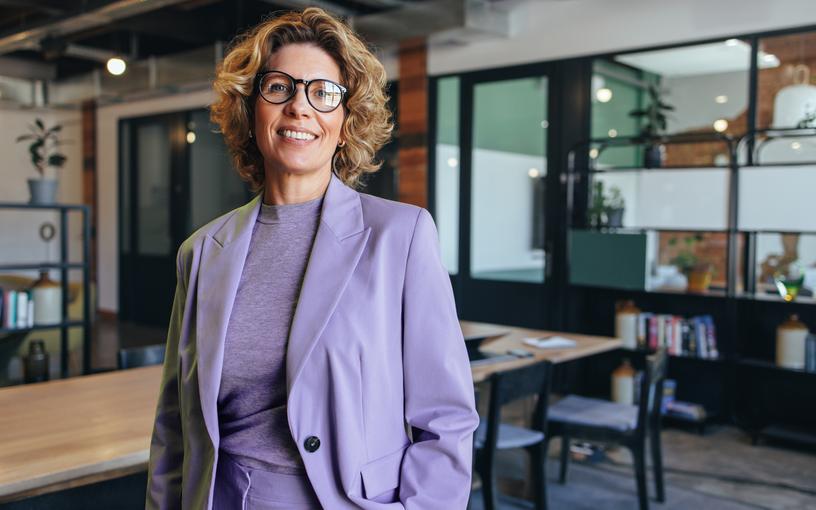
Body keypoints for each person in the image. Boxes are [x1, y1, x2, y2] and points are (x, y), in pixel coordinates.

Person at [145, 7, 478, 510]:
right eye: (279, 87)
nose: (300, 107)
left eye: (324, 93)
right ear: (251, 110)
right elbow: (174, 423)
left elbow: (446, 419)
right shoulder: (202, 252)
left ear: (345, 123)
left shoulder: (400, 236)